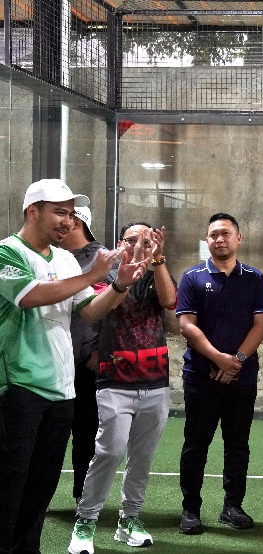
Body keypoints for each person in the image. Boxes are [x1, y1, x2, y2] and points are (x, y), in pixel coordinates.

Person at [0, 179, 148, 554]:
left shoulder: (66, 260)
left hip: (62, 389)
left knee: (41, 486)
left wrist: (119, 287)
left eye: (71, 213)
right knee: (8, 484)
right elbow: (29, 296)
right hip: (17, 388)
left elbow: (90, 310)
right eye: (59, 212)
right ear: (32, 211)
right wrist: (93, 276)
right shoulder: (7, 253)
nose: (68, 221)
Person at [69, 222, 177, 553]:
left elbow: (170, 300)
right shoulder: (106, 272)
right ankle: (85, 522)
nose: (140, 245)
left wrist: (157, 261)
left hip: (155, 382)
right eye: (133, 240)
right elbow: (106, 306)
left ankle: (129, 520)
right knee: (109, 452)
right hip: (115, 382)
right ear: (121, 243)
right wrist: (125, 277)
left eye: (147, 240)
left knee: (142, 457)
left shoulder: (157, 270)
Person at [176, 213, 263, 534]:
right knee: (195, 444)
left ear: (238, 239)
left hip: (242, 378)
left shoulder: (255, 279)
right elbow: (186, 325)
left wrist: (237, 361)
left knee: (237, 444)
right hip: (201, 377)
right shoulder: (191, 278)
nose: (219, 239)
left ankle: (233, 507)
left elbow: (261, 324)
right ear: (207, 240)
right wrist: (219, 359)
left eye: (226, 234)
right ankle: (190, 510)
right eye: (214, 235)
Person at [63, 206, 116, 504]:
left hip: (87, 365)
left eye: (66, 217)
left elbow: (118, 308)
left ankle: (83, 501)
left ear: (78, 222)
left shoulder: (105, 259)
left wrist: (101, 349)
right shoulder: (53, 258)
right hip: (54, 361)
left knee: (86, 435)